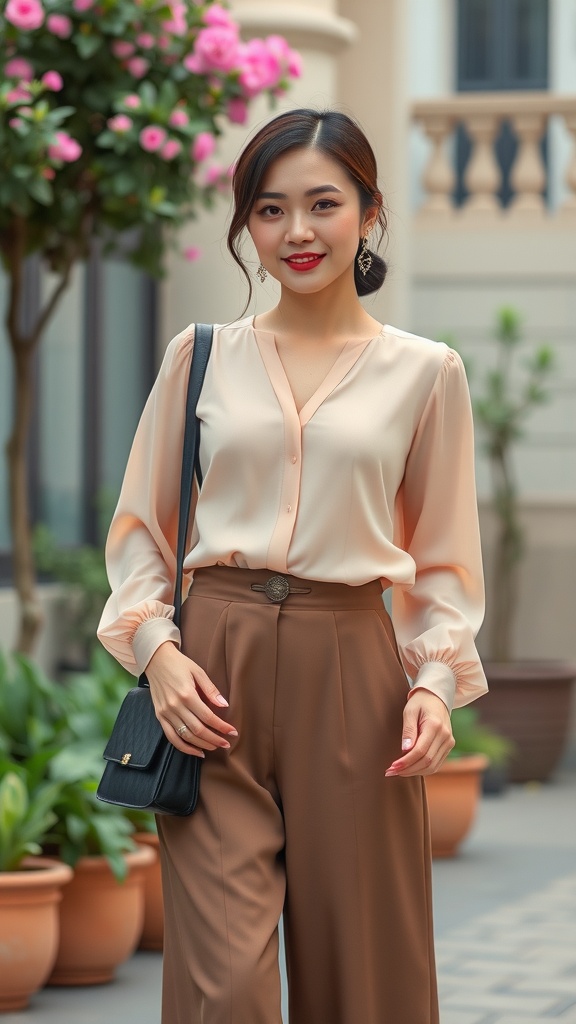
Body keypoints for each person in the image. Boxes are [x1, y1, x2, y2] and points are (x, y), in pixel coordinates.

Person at [98, 108, 488, 1024]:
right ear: (246, 227)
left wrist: (433, 682)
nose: (298, 232)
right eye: (271, 211)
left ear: (369, 212)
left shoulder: (427, 373)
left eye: (323, 204)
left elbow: (443, 559)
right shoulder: (198, 359)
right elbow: (140, 531)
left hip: (355, 668)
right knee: (220, 983)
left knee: (367, 973)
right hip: (212, 676)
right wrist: (157, 652)